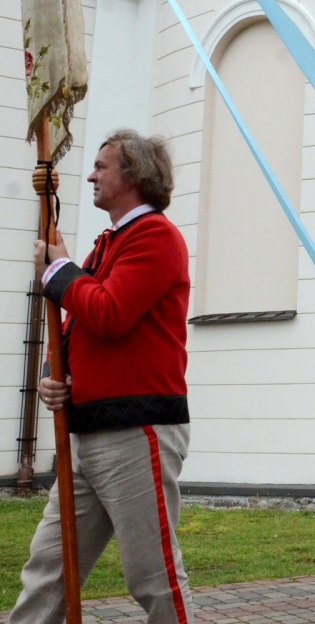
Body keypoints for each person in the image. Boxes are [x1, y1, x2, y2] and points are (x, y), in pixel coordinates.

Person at [16, 130, 192, 624]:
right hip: (87, 431)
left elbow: (111, 312)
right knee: (48, 568)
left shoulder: (155, 235)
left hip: (136, 433)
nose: (91, 176)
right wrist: (56, 374)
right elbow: (78, 328)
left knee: (152, 577)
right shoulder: (108, 243)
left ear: (133, 175)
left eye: (101, 166)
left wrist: (60, 271)